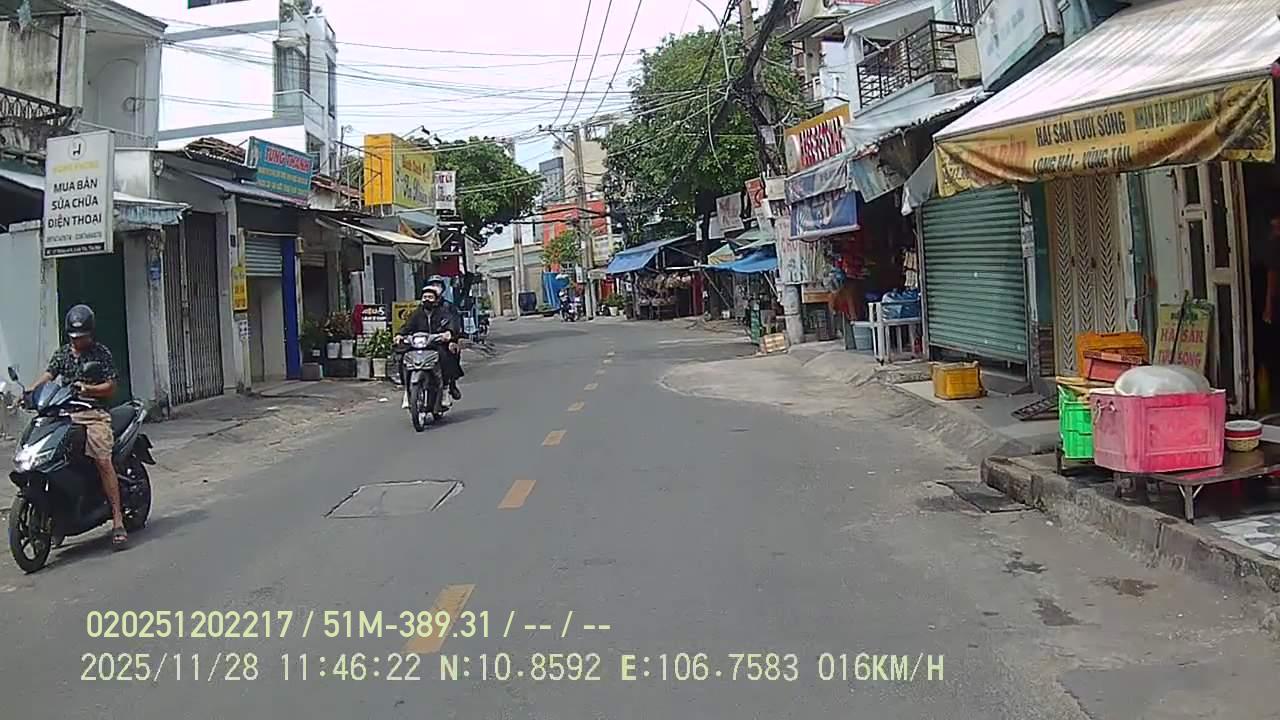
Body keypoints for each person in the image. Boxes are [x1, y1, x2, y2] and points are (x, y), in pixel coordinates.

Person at [29, 305, 127, 547]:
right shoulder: (63, 354)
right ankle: (57, 514)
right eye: (74, 337)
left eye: (82, 337)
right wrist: (31, 392)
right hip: (65, 415)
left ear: (90, 333)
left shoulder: (100, 353)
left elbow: (111, 386)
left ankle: (117, 520)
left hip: (94, 415)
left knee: (102, 460)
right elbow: (49, 375)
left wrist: (88, 389)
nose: (77, 341)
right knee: (51, 459)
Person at [397, 278, 464, 409]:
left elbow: (452, 324)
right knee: (403, 358)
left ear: (436, 299)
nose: (427, 299)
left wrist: (449, 334)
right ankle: (407, 390)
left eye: (430, 297)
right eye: (425, 297)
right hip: (419, 344)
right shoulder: (417, 313)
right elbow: (407, 326)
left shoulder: (445, 310)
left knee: (446, 357)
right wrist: (400, 335)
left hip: (437, 344)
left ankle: (446, 389)